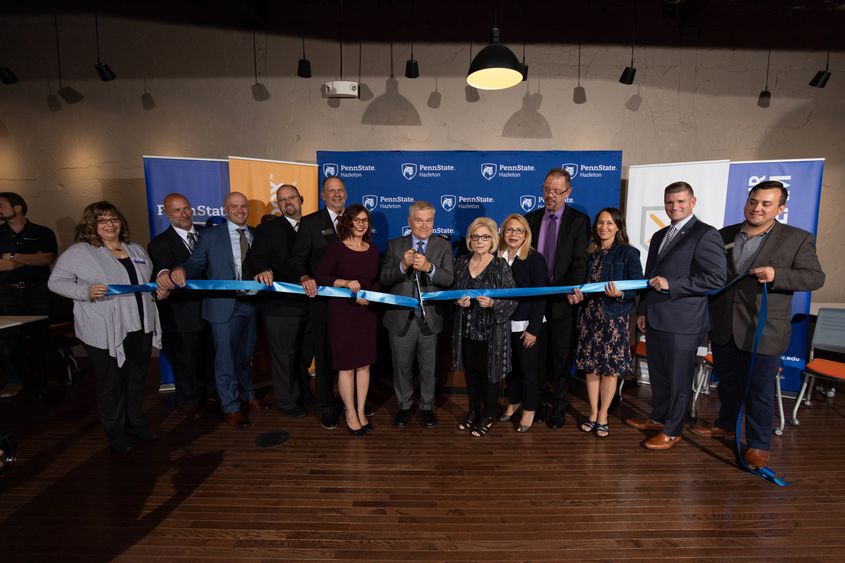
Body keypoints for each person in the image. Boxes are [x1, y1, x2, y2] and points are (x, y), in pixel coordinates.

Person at [691, 180, 824, 468]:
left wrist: (778, 274)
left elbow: (815, 277)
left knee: (759, 390)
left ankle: (758, 444)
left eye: (766, 203)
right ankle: (726, 425)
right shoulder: (723, 234)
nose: (757, 208)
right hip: (725, 324)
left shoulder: (797, 238)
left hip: (764, 330)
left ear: (781, 208)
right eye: (754, 201)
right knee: (727, 384)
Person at [48, 201, 164, 452]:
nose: (110, 224)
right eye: (102, 221)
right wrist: (84, 291)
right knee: (111, 381)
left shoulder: (135, 250)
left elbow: (147, 282)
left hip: (139, 323)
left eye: (114, 219)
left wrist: (158, 290)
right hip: (104, 328)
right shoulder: (81, 251)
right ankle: (115, 432)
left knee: (136, 378)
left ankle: (137, 423)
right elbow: (55, 282)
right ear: (92, 225)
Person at [627, 182, 727, 450]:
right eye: (670, 202)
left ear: (693, 202)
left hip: (684, 322)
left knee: (678, 379)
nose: (675, 207)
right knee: (658, 375)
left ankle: (672, 431)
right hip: (656, 316)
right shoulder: (661, 234)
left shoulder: (706, 234)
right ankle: (658, 418)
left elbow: (717, 278)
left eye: (681, 202)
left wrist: (673, 284)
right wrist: (644, 309)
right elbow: (650, 278)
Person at [159, 192, 266, 429]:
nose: (240, 210)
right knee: (225, 359)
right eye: (234, 206)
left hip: (251, 305)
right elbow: (195, 263)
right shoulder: (210, 236)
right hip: (222, 306)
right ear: (225, 210)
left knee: (245, 356)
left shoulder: (257, 235)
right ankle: (230, 407)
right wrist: (180, 270)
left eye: (243, 206)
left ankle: (248, 395)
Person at [568, 208, 643, 438]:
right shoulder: (589, 253)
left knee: (610, 370)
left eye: (609, 223)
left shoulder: (629, 253)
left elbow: (638, 285)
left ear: (618, 226)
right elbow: (581, 283)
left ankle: (603, 416)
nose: (604, 227)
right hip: (590, 317)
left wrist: (620, 294)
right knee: (591, 368)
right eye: (600, 223)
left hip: (614, 318)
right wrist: (579, 294)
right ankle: (592, 413)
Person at [524, 168, 590, 428]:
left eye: (556, 191)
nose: (550, 195)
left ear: (568, 192)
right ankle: (537, 404)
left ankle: (558, 408)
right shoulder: (530, 219)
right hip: (534, 301)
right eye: (546, 190)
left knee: (560, 358)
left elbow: (579, 261)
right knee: (536, 356)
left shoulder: (579, 221)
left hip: (563, 300)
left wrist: (567, 289)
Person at [380, 201, 455, 429]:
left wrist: (429, 268)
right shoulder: (394, 245)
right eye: (419, 220)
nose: (424, 225)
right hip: (401, 318)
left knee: (428, 367)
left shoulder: (443, 247)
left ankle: (426, 407)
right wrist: (403, 266)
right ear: (409, 221)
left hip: (429, 319)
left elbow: (449, 280)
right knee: (401, 366)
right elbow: (384, 279)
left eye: (429, 220)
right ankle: (404, 406)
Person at [314, 204, 380, 436]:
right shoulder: (336, 250)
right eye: (357, 220)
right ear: (348, 223)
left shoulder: (372, 251)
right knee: (347, 367)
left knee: (363, 365)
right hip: (342, 314)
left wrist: (369, 297)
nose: (361, 224)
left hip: (366, 314)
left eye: (365, 220)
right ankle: (350, 412)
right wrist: (344, 282)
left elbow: (377, 281)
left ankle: (361, 411)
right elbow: (321, 276)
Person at [246, 185, 311, 417]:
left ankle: (303, 393)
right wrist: (262, 269)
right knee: (284, 357)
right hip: (279, 306)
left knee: (304, 355)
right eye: (282, 200)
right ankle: (287, 401)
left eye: (291, 197)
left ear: (301, 198)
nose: (287, 202)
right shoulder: (268, 229)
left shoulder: (313, 225)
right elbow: (255, 258)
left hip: (311, 305)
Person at [451, 217, 517, 438]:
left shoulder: (500, 266)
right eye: (476, 236)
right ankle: (472, 411)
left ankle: (488, 415)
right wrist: (457, 302)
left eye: (485, 237)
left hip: (492, 332)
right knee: (471, 374)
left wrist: (494, 303)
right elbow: (453, 294)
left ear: (493, 240)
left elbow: (512, 301)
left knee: (491, 375)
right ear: (470, 239)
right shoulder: (461, 262)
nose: (480, 241)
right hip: (468, 330)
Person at [291, 175, 347, 430]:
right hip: (322, 303)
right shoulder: (311, 223)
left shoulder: (356, 220)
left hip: (351, 304)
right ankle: (327, 406)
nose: (336, 194)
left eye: (340, 190)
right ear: (323, 196)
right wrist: (304, 276)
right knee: (324, 357)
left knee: (350, 356)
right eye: (330, 191)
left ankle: (351, 402)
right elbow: (298, 259)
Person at [148, 193, 208, 419]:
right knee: (186, 361)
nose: (184, 214)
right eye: (177, 210)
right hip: (182, 313)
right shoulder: (159, 243)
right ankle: (188, 402)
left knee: (207, 357)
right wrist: (164, 274)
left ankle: (207, 396)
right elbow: (161, 269)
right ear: (166, 213)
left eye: (186, 208)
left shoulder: (207, 234)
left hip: (211, 310)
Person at [0, 192, 57, 399]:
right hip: (8, 291)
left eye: (2, 205)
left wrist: (14, 257)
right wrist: (31, 258)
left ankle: (44, 379)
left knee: (41, 334)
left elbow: (48, 258)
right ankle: (15, 380)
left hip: (38, 290)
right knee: (9, 339)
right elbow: (2, 265)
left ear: (18, 208)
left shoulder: (43, 232)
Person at [497, 213, 547, 432]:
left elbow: (540, 296)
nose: (514, 234)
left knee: (528, 370)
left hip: (527, 325)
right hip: (503, 325)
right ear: (503, 233)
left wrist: (533, 329)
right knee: (511, 369)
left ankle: (529, 408)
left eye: (519, 230)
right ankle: (514, 401)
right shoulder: (497, 257)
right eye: (510, 230)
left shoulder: (535, 259)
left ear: (526, 234)